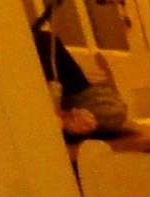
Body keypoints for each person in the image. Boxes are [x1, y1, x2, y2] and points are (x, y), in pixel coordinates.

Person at [31, 1, 127, 137]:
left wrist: (67, 118)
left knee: (113, 111)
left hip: (71, 109)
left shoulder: (45, 44)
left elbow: (111, 110)